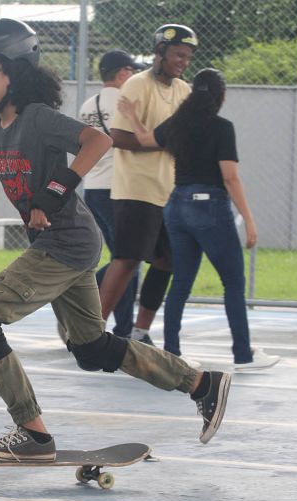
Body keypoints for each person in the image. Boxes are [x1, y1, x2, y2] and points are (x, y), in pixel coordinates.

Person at [0, 18, 232, 462]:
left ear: (15, 72)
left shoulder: (38, 118)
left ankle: (34, 436)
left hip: (64, 242)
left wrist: (58, 188)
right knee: (92, 348)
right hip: (72, 244)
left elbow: (97, 141)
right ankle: (200, 383)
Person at [117, 68, 281, 371]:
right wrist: (249, 219)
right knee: (233, 282)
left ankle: (173, 352)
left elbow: (143, 139)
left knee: (181, 280)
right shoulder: (222, 128)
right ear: (222, 96)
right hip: (209, 207)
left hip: (176, 205)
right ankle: (243, 354)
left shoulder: (178, 125)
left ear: (193, 94)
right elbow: (230, 177)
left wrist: (131, 114)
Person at [99, 24, 198, 347]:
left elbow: (185, 137)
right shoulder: (137, 86)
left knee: (167, 261)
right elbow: (118, 137)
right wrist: (162, 142)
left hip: (170, 191)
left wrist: (166, 142)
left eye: (187, 57)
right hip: (136, 188)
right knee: (127, 259)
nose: (183, 61)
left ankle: (141, 332)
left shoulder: (184, 90)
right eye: (177, 55)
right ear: (160, 52)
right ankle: (90, 330)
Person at [76, 50, 144, 339]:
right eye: (132, 72)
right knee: (128, 259)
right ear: (122, 74)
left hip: (94, 188)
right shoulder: (126, 103)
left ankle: (121, 326)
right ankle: (115, 323)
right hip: (119, 189)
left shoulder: (87, 106)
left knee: (123, 256)